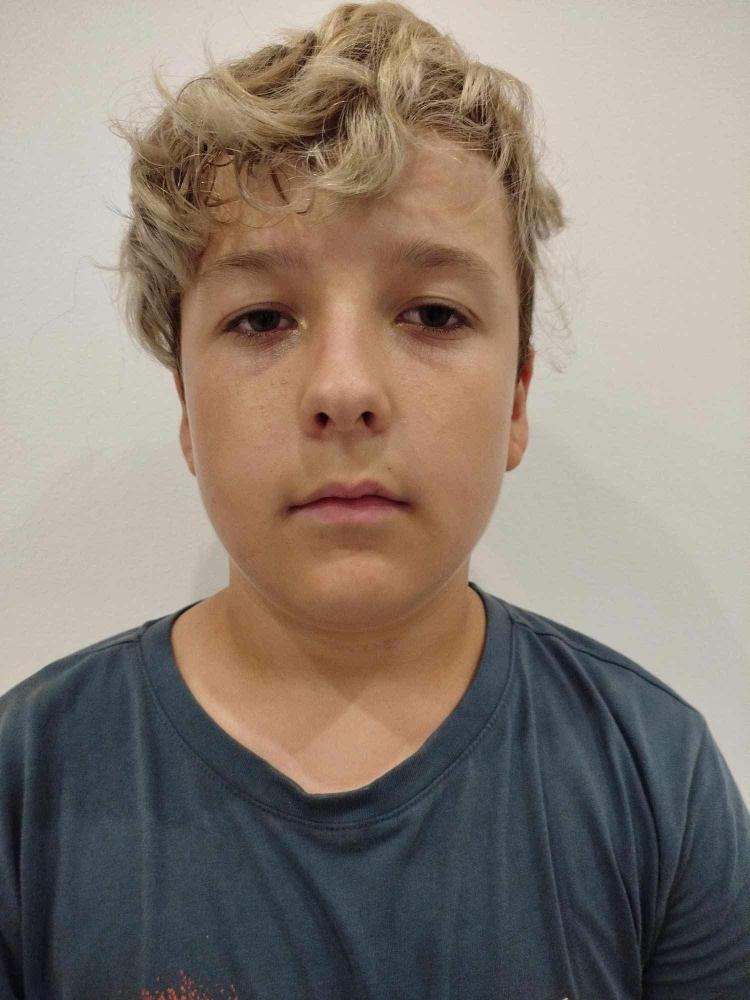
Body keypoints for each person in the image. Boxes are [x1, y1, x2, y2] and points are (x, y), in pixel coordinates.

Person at [1, 2, 748, 997]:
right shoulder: (27, 781)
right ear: (184, 403)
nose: (344, 389)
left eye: (432, 313)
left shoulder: (655, 775)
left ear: (517, 401)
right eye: (262, 319)